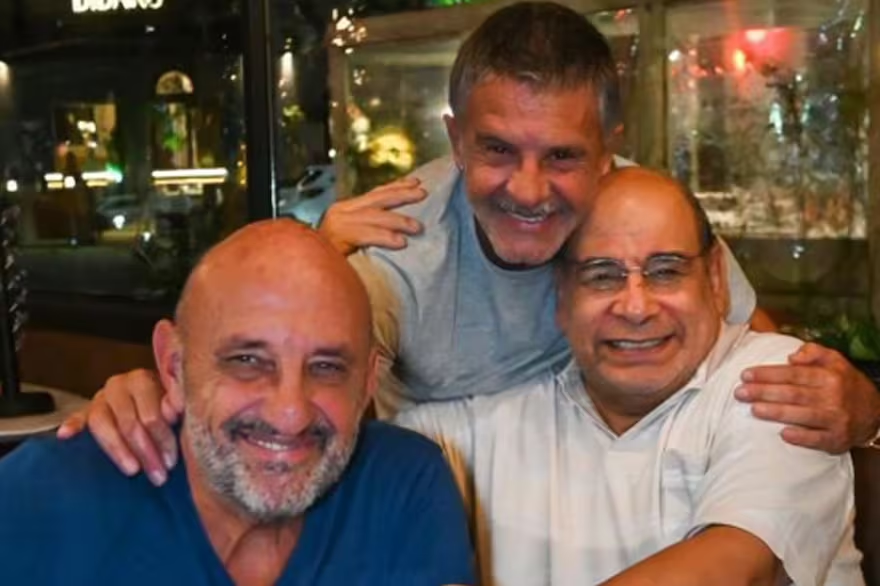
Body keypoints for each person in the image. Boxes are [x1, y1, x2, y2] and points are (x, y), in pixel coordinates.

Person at [59, 1, 879, 484]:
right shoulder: (399, 246)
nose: (528, 189)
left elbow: (764, 363)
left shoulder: (648, 222)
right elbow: (295, 370)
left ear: (609, 151)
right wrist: (161, 395)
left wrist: (860, 409)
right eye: (496, 150)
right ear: (455, 139)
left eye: (563, 157)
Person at [398, 167, 864, 586]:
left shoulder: (776, 381)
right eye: (603, 276)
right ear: (561, 295)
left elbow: (737, 570)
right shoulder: (484, 427)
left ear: (716, 279)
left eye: (666, 271)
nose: (636, 307)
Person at [0, 221, 474, 586]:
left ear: (368, 382)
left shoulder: (401, 484)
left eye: (327, 367)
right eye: (248, 361)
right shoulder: (44, 497)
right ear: (173, 367)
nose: (290, 413)